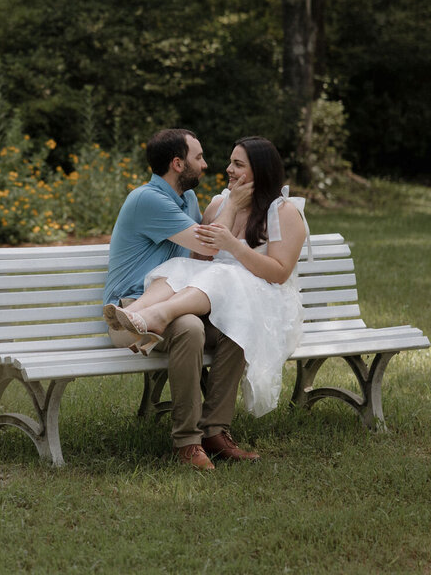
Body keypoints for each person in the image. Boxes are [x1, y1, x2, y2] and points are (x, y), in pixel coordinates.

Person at [106, 135, 307, 470]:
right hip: (135, 302)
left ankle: (215, 431)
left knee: (238, 321)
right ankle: (187, 442)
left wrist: (232, 240)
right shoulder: (151, 200)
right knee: (189, 328)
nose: (216, 166)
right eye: (200, 157)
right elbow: (205, 255)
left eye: (237, 164)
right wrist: (228, 212)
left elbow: (207, 262)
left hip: (207, 299)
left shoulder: (188, 200)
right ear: (178, 163)